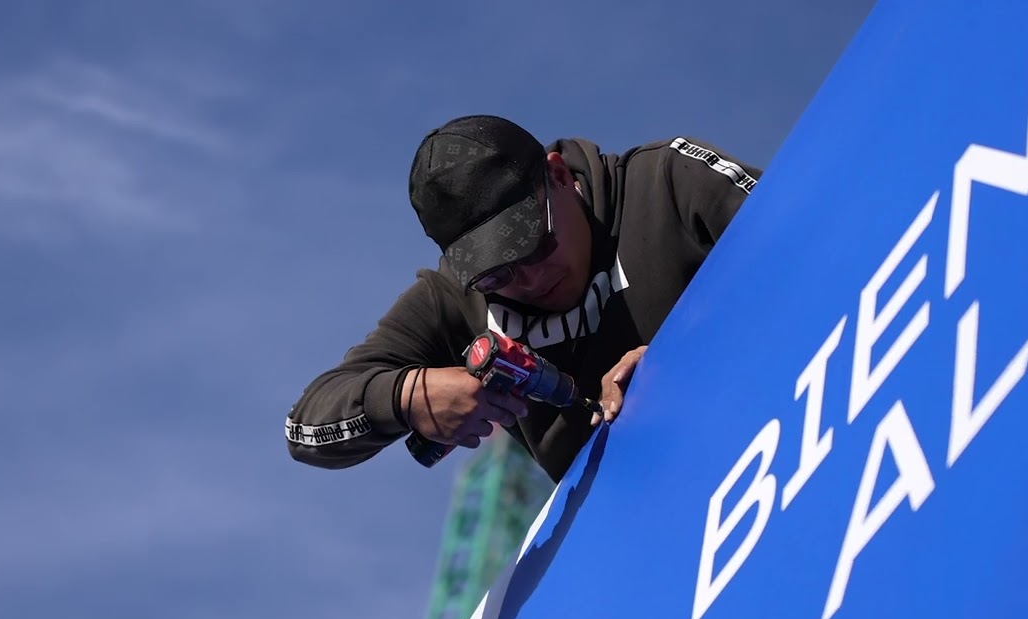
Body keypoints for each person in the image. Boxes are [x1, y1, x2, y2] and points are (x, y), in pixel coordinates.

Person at [285, 114, 761, 482]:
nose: (530, 279)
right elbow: (305, 428)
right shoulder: (451, 302)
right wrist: (407, 396)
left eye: (536, 245)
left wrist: (686, 349)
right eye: (497, 275)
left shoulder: (668, 180)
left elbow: (820, 238)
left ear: (557, 176)